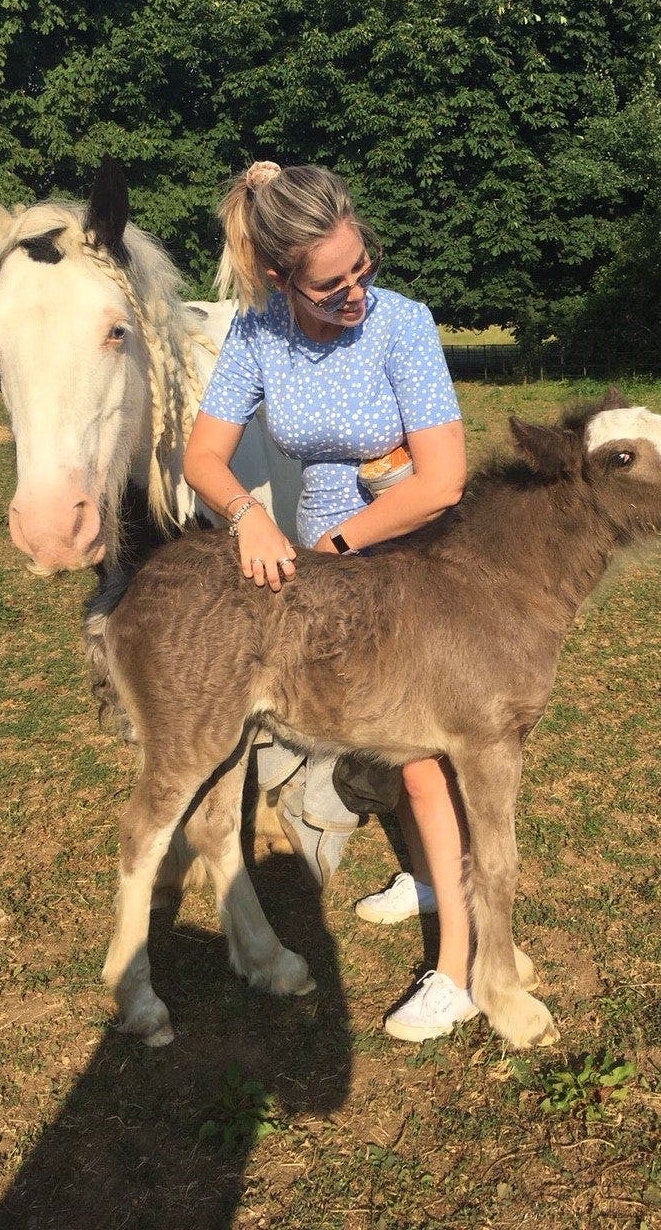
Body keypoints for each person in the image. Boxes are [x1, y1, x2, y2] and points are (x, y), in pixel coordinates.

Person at [183, 160, 476, 1042]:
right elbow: (204, 458)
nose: (355, 291)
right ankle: (428, 874)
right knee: (366, 726)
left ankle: (460, 967)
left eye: (363, 267)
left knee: (425, 750)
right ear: (280, 279)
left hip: (402, 556)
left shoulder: (403, 326)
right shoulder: (259, 335)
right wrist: (246, 517)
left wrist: (336, 552)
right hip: (314, 557)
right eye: (330, 282)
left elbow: (443, 482)